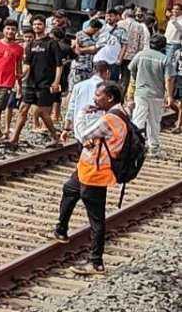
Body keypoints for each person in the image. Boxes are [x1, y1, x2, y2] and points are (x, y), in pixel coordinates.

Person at [51, 80, 129, 275]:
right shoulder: (119, 112)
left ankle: (96, 262)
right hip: (88, 167)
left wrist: (82, 112)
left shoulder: (110, 120)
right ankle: (61, 230)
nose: (94, 98)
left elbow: (82, 135)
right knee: (70, 189)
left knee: (96, 218)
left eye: (98, 95)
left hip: (96, 172)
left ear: (109, 98)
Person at [9, 17, 64, 147]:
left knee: (43, 112)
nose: (37, 26)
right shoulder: (31, 44)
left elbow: (59, 65)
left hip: (45, 83)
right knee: (23, 109)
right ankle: (14, 138)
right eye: (35, 24)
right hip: (32, 83)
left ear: (44, 26)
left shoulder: (51, 43)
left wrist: (56, 82)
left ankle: (56, 138)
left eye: (39, 24)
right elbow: (27, 64)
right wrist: (21, 75)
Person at [130, 35, 168, 156]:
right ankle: (154, 148)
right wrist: (169, 95)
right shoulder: (164, 59)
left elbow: (131, 68)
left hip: (140, 93)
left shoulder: (141, 54)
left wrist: (136, 81)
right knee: (154, 122)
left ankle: (135, 146)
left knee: (138, 119)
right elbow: (168, 79)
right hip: (157, 94)